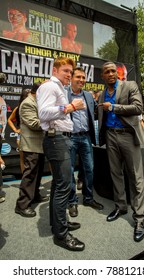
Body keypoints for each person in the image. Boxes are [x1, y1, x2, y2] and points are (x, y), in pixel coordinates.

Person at [36, 57, 85, 251]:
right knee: (64, 186)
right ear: (55, 70)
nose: (69, 75)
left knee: (58, 185)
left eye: (70, 72)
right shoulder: (50, 86)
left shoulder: (59, 88)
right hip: (56, 139)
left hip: (59, 138)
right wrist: (72, 107)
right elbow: (44, 113)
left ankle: (58, 224)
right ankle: (62, 235)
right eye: (65, 71)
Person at [98, 61, 144, 242]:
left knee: (136, 177)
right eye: (107, 72)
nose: (110, 74)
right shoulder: (102, 93)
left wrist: (114, 107)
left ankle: (140, 218)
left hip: (128, 136)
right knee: (116, 174)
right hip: (111, 136)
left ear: (117, 73)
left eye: (113, 71)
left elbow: (138, 108)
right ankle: (121, 206)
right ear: (102, 76)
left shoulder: (129, 85)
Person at [67, 67, 104, 218]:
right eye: (78, 77)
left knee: (90, 168)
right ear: (71, 78)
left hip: (86, 137)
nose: (82, 80)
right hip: (69, 137)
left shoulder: (88, 96)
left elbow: (96, 110)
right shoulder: (64, 94)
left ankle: (88, 198)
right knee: (69, 171)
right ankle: (72, 201)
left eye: (83, 77)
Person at [15, 82, 48, 218]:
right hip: (31, 145)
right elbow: (34, 124)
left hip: (38, 144)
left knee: (37, 173)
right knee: (30, 174)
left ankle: (34, 196)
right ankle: (22, 205)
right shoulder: (28, 103)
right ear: (38, 92)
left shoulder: (35, 101)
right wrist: (51, 119)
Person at [8, 88, 30, 173]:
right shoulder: (18, 108)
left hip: (33, 136)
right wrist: (15, 129)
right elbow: (9, 120)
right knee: (23, 159)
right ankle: (25, 179)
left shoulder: (35, 106)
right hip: (21, 136)